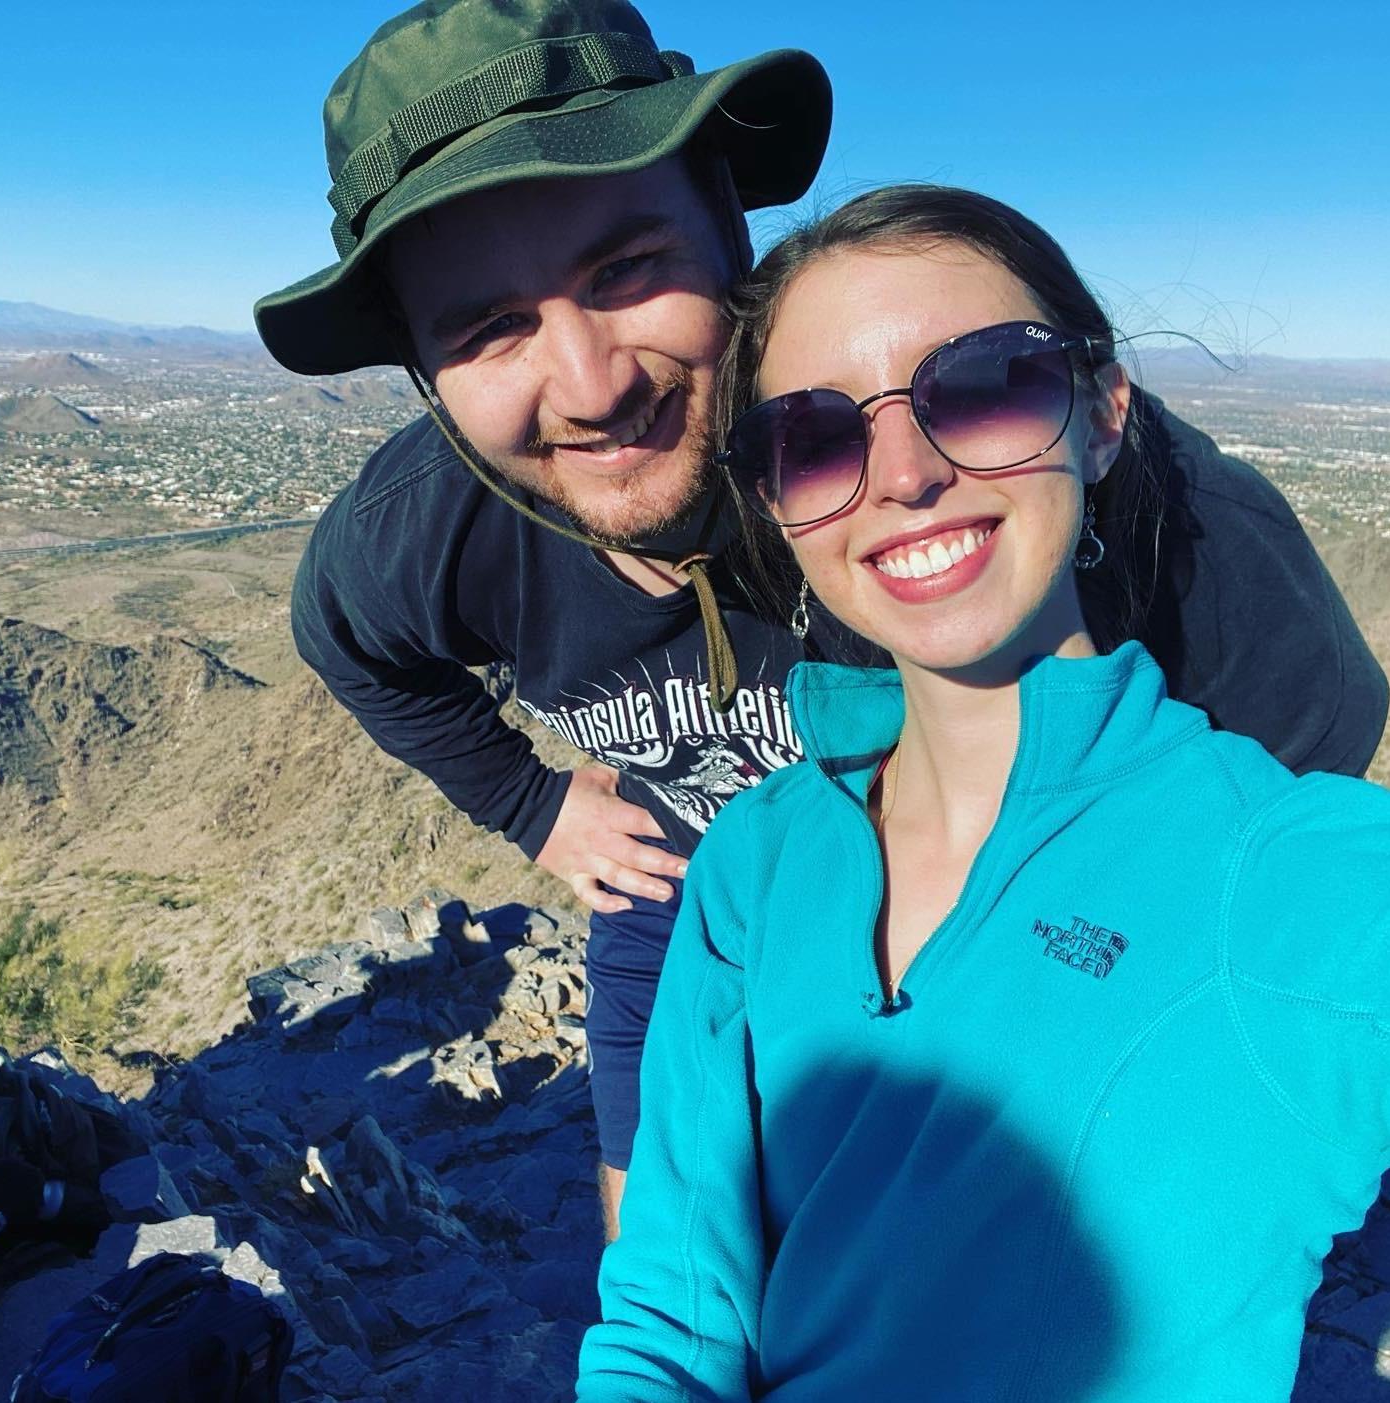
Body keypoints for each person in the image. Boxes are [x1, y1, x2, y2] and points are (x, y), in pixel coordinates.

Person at [253, 0, 1387, 1236]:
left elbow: (1279, 774)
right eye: (487, 329)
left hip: (989, 906)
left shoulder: (1030, 480)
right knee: (664, 1234)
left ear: (730, 236)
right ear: (426, 376)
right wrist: (532, 802)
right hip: (683, 878)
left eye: (627, 270)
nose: (591, 387)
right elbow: (348, 645)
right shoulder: (424, 534)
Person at [577, 184, 1390, 1402]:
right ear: (774, 504)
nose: (902, 472)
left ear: (1102, 410)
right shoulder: (754, 858)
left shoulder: (1286, 868)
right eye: (815, 436)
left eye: (983, 382)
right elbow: (671, 1312)